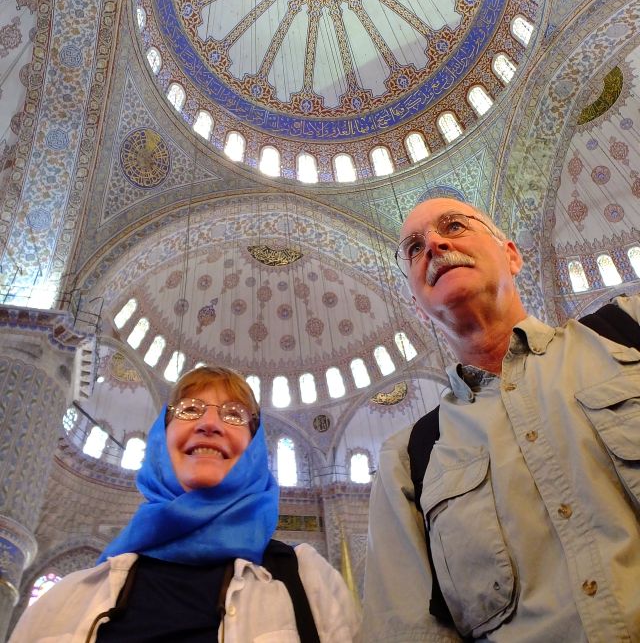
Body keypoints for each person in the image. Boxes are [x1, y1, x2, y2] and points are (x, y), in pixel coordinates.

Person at [362, 197, 640, 642]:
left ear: (512, 255)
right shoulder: (407, 461)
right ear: (417, 306)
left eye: (453, 226)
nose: (433, 243)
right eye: (413, 248)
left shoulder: (629, 332)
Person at [11, 366, 360, 642]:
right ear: (161, 440)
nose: (210, 424)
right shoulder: (64, 603)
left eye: (234, 414)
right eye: (189, 409)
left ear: (256, 449)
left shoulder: (306, 581)